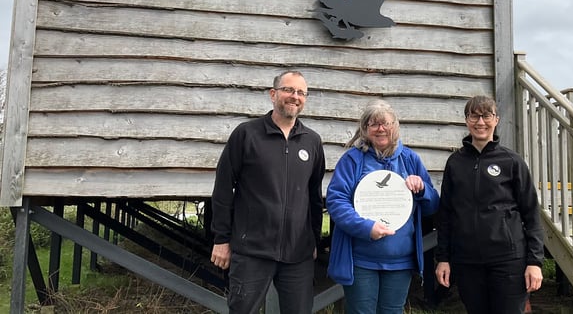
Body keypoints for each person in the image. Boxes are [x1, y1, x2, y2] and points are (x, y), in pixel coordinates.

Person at [210, 70, 325, 314]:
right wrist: (221, 238)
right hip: (252, 251)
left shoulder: (312, 141)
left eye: (301, 92)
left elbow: (314, 195)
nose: (295, 96)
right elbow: (223, 188)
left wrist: (313, 239)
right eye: (288, 90)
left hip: (298, 255)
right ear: (273, 94)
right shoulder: (246, 134)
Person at [326, 99, 440, 314]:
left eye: (385, 123)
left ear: (395, 126)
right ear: (365, 129)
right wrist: (365, 228)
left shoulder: (409, 159)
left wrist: (422, 188)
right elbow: (336, 200)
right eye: (373, 124)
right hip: (361, 260)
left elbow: (432, 205)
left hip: (400, 261)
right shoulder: (353, 159)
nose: (380, 129)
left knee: (393, 311)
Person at [435, 95, 544, 314]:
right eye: (474, 116)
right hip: (467, 262)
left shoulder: (512, 162)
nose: (480, 122)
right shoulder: (455, 163)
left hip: (508, 261)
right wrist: (443, 259)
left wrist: (535, 262)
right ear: (466, 120)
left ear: (496, 119)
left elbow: (531, 213)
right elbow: (445, 215)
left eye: (486, 115)